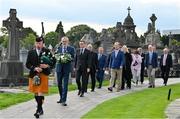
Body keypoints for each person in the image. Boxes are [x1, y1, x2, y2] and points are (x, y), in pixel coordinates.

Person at [26, 37, 55, 118]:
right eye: (37, 43)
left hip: (43, 74)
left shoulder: (47, 51)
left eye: (40, 43)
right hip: (34, 74)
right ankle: (40, 108)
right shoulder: (31, 52)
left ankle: (38, 110)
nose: (38, 45)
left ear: (43, 43)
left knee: (40, 91)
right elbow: (27, 64)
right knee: (36, 93)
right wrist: (34, 68)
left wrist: (47, 65)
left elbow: (53, 62)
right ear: (35, 43)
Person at [56, 36, 75, 106]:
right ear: (61, 41)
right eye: (63, 41)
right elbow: (55, 55)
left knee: (65, 84)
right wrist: (58, 58)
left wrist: (68, 58)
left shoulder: (71, 49)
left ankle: (64, 100)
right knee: (59, 84)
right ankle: (61, 97)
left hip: (67, 68)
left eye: (65, 41)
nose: (64, 43)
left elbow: (73, 57)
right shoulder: (58, 48)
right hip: (59, 68)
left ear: (68, 42)